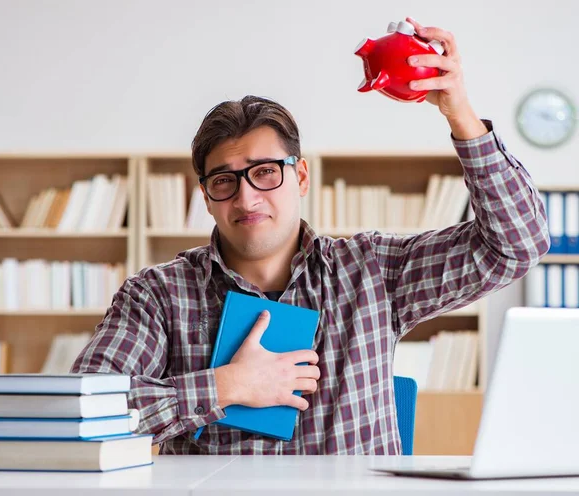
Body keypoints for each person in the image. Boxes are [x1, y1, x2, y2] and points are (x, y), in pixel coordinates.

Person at [71, 18, 550, 455]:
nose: (247, 198)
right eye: (224, 181)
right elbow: (81, 412)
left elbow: (517, 243)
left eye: (264, 172)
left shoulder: (372, 270)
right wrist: (224, 387)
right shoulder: (158, 294)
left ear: (301, 176)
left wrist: (460, 113)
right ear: (206, 195)